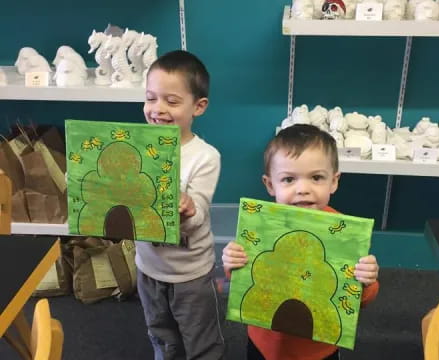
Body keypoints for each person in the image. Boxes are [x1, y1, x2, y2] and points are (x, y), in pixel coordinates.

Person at [222, 124, 379, 360]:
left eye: (316, 177)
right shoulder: (262, 226)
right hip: (265, 343)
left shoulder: (343, 233)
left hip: (318, 349)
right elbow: (245, 279)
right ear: (269, 184)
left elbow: (361, 299)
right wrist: (232, 263)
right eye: (288, 179)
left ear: (334, 182)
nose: (303, 189)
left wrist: (367, 281)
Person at [135, 50, 224, 360]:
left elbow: (197, 212)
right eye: (150, 98)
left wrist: (188, 209)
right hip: (148, 266)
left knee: (200, 337)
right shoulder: (137, 146)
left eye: (171, 101)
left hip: (190, 273)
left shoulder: (205, 156)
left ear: (198, 106)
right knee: (159, 331)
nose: (157, 109)